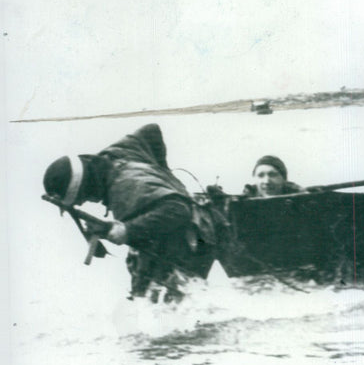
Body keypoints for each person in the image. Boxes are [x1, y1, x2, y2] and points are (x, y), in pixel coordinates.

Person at [42, 123, 228, 300]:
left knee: (160, 311)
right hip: (199, 222)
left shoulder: (124, 187)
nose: (86, 203)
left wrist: (127, 230)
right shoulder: (113, 155)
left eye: (82, 199)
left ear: (86, 187)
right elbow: (151, 130)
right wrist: (164, 176)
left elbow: (178, 209)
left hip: (193, 239)